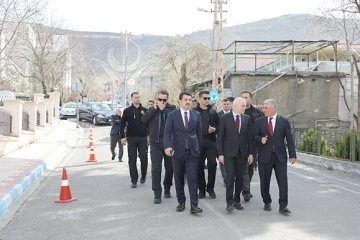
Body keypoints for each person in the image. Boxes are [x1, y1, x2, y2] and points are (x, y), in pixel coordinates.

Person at [253, 99, 296, 216]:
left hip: (280, 157)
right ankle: (267, 202)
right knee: (264, 181)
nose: (263, 110)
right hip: (264, 156)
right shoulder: (259, 121)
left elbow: (289, 139)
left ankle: (283, 206)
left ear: (273, 108)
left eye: (265, 108)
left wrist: (292, 155)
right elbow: (254, 136)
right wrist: (260, 139)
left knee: (283, 182)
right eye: (263, 108)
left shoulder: (284, 121)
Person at [164, 91, 203, 214]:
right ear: (180, 101)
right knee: (179, 179)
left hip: (192, 152)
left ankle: (194, 205)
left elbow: (199, 134)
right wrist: (167, 146)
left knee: (192, 178)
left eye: (189, 100)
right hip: (177, 152)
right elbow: (167, 132)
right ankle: (181, 202)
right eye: (185, 99)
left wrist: (198, 149)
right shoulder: (172, 115)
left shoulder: (196, 115)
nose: (188, 102)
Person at [217, 97, 254, 212]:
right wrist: (221, 154)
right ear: (236, 106)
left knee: (240, 178)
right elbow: (220, 137)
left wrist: (251, 154)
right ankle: (229, 202)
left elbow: (249, 138)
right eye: (243, 106)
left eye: (245, 105)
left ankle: (237, 200)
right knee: (229, 178)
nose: (245, 107)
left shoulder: (247, 118)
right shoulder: (224, 118)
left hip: (242, 154)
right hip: (228, 153)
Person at [142, 90, 176, 204]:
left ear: (167, 100)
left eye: (164, 100)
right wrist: (155, 109)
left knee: (170, 168)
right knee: (156, 169)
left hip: (169, 143)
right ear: (157, 99)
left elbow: (175, 120)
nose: (162, 102)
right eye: (160, 99)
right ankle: (157, 193)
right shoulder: (152, 109)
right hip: (155, 143)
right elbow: (144, 120)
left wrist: (164, 109)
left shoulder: (172, 109)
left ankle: (167, 187)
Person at [193, 90, 219, 199]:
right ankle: (201, 189)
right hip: (198, 142)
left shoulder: (213, 112)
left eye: (208, 98)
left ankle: (210, 188)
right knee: (199, 166)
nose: (207, 100)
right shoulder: (194, 112)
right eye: (205, 98)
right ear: (199, 99)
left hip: (211, 142)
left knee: (213, 164)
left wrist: (215, 129)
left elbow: (220, 127)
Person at [120, 92, 148, 188]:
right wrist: (122, 137)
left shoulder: (144, 110)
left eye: (138, 97)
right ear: (131, 99)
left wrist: (149, 136)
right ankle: (134, 180)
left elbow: (149, 124)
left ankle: (143, 174)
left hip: (143, 138)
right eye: (135, 97)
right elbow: (122, 124)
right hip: (131, 138)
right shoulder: (127, 111)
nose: (137, 99)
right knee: (132, 159)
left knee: (144, 158)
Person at [241, 90, 264, 202]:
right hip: (240, 144)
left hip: (254, 144)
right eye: (242, 97)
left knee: (250, 168)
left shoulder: (256, 112)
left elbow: (262, 126)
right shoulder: (238, 111)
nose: (244, 99)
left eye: (246, 97)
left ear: (250, 99)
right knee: (243, 168)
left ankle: (246, 187)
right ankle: (245, 191)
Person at [217, 98, 232, 185]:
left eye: (227, 104)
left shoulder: (234, 114)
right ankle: (226, 178)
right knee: (222, 159)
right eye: (224, 104)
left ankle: (231, 176)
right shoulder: (218, 115)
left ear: (230, 105)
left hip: (231, 140)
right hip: (221, 139)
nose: (226, 105)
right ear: (222, 105)